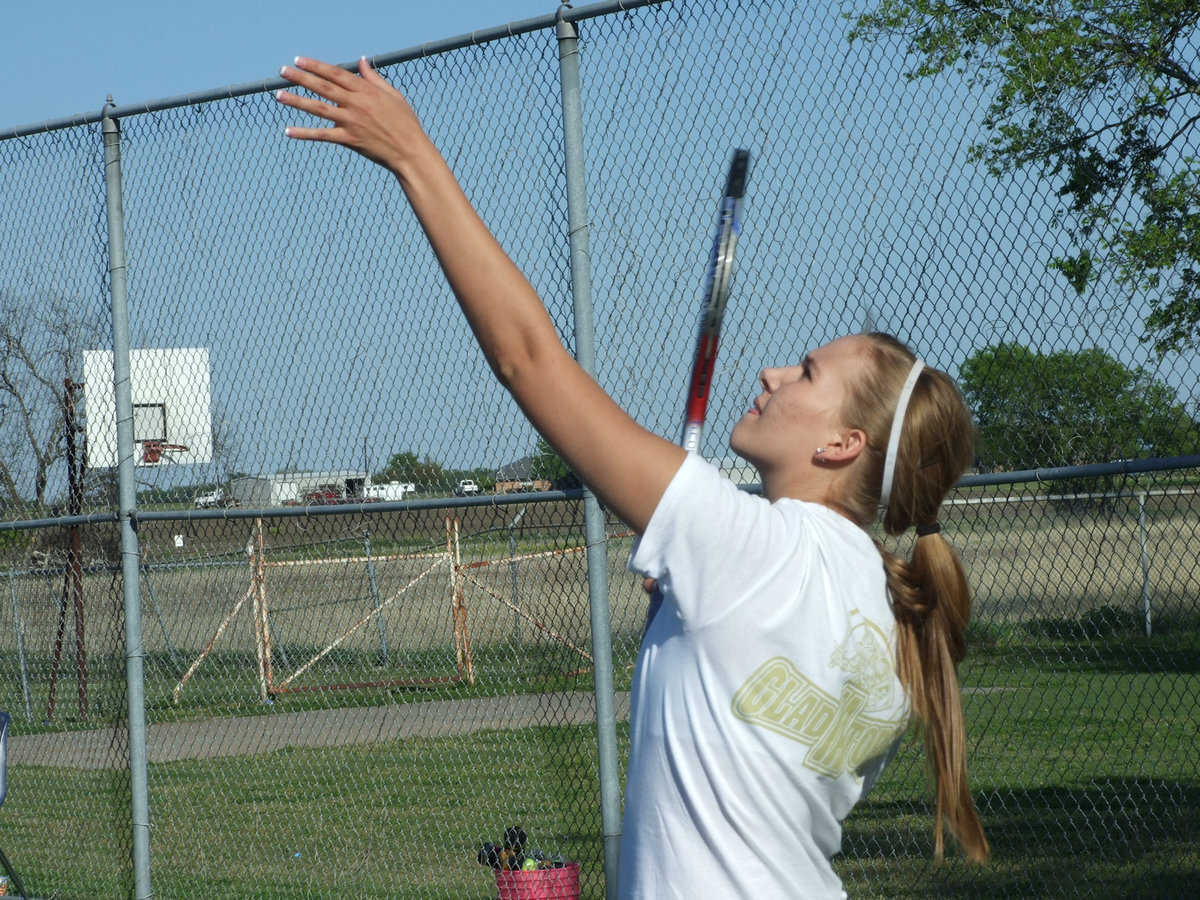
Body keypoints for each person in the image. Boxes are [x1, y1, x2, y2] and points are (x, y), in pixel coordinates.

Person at [276, 56, 989, 898]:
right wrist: (698, 618)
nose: (769, 374)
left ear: (843, 444)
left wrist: (413, 156)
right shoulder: (894, 617)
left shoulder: (746, 550)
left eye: (804, 373)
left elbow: (528, 359)